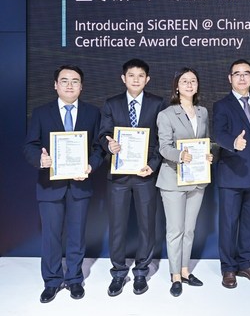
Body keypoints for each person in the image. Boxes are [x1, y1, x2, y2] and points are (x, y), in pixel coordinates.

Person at [23, 65, 105, 303]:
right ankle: (52, 281)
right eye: (65, 80)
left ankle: (75, 279)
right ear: (55, 85)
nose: (70, 85)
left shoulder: (92, 113)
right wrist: (40, 159)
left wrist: (90, 165)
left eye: (75, 81)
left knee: (77, 235)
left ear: (82, 86)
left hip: (80, 184)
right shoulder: (41, 112)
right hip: (50, 186)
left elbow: (99, 147)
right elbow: (30, 145)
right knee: (51, 236)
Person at [98, 58, 165, 297]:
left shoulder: (157, 103)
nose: (136, 80)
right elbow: (103, 134)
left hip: (145, 173)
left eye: (140, 76)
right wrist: (109, 145)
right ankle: (118, 272)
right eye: (131, 75)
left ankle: (141, 272)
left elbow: (162, 139)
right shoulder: (111, 103)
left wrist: (152, 165)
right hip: (118, 175)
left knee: (147, 225)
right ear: (123, 78)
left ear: (147, 79)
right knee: (117, 225)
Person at [156, 67, 213, 297]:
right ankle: (175, 275)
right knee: (175, 230)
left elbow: (205, 141)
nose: (189, 84)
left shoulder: (203, 112)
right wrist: (180, 155)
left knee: (189, 230)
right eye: (184, 81)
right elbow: (164, 148)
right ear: (177, 87)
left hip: (197, 179)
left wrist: (207, 155)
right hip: (173, 179)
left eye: (193, 81)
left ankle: (185, 270)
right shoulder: (166, 114)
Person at [212, 59, 250, 289]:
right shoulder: (222, 105)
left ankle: (244, 263)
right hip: (231, 174)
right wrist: (233, 143)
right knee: (228, 224)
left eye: (246, 73)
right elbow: (219, 134)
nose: (242, 77)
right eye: (237, 74)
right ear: (230, 78)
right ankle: (228, 268)